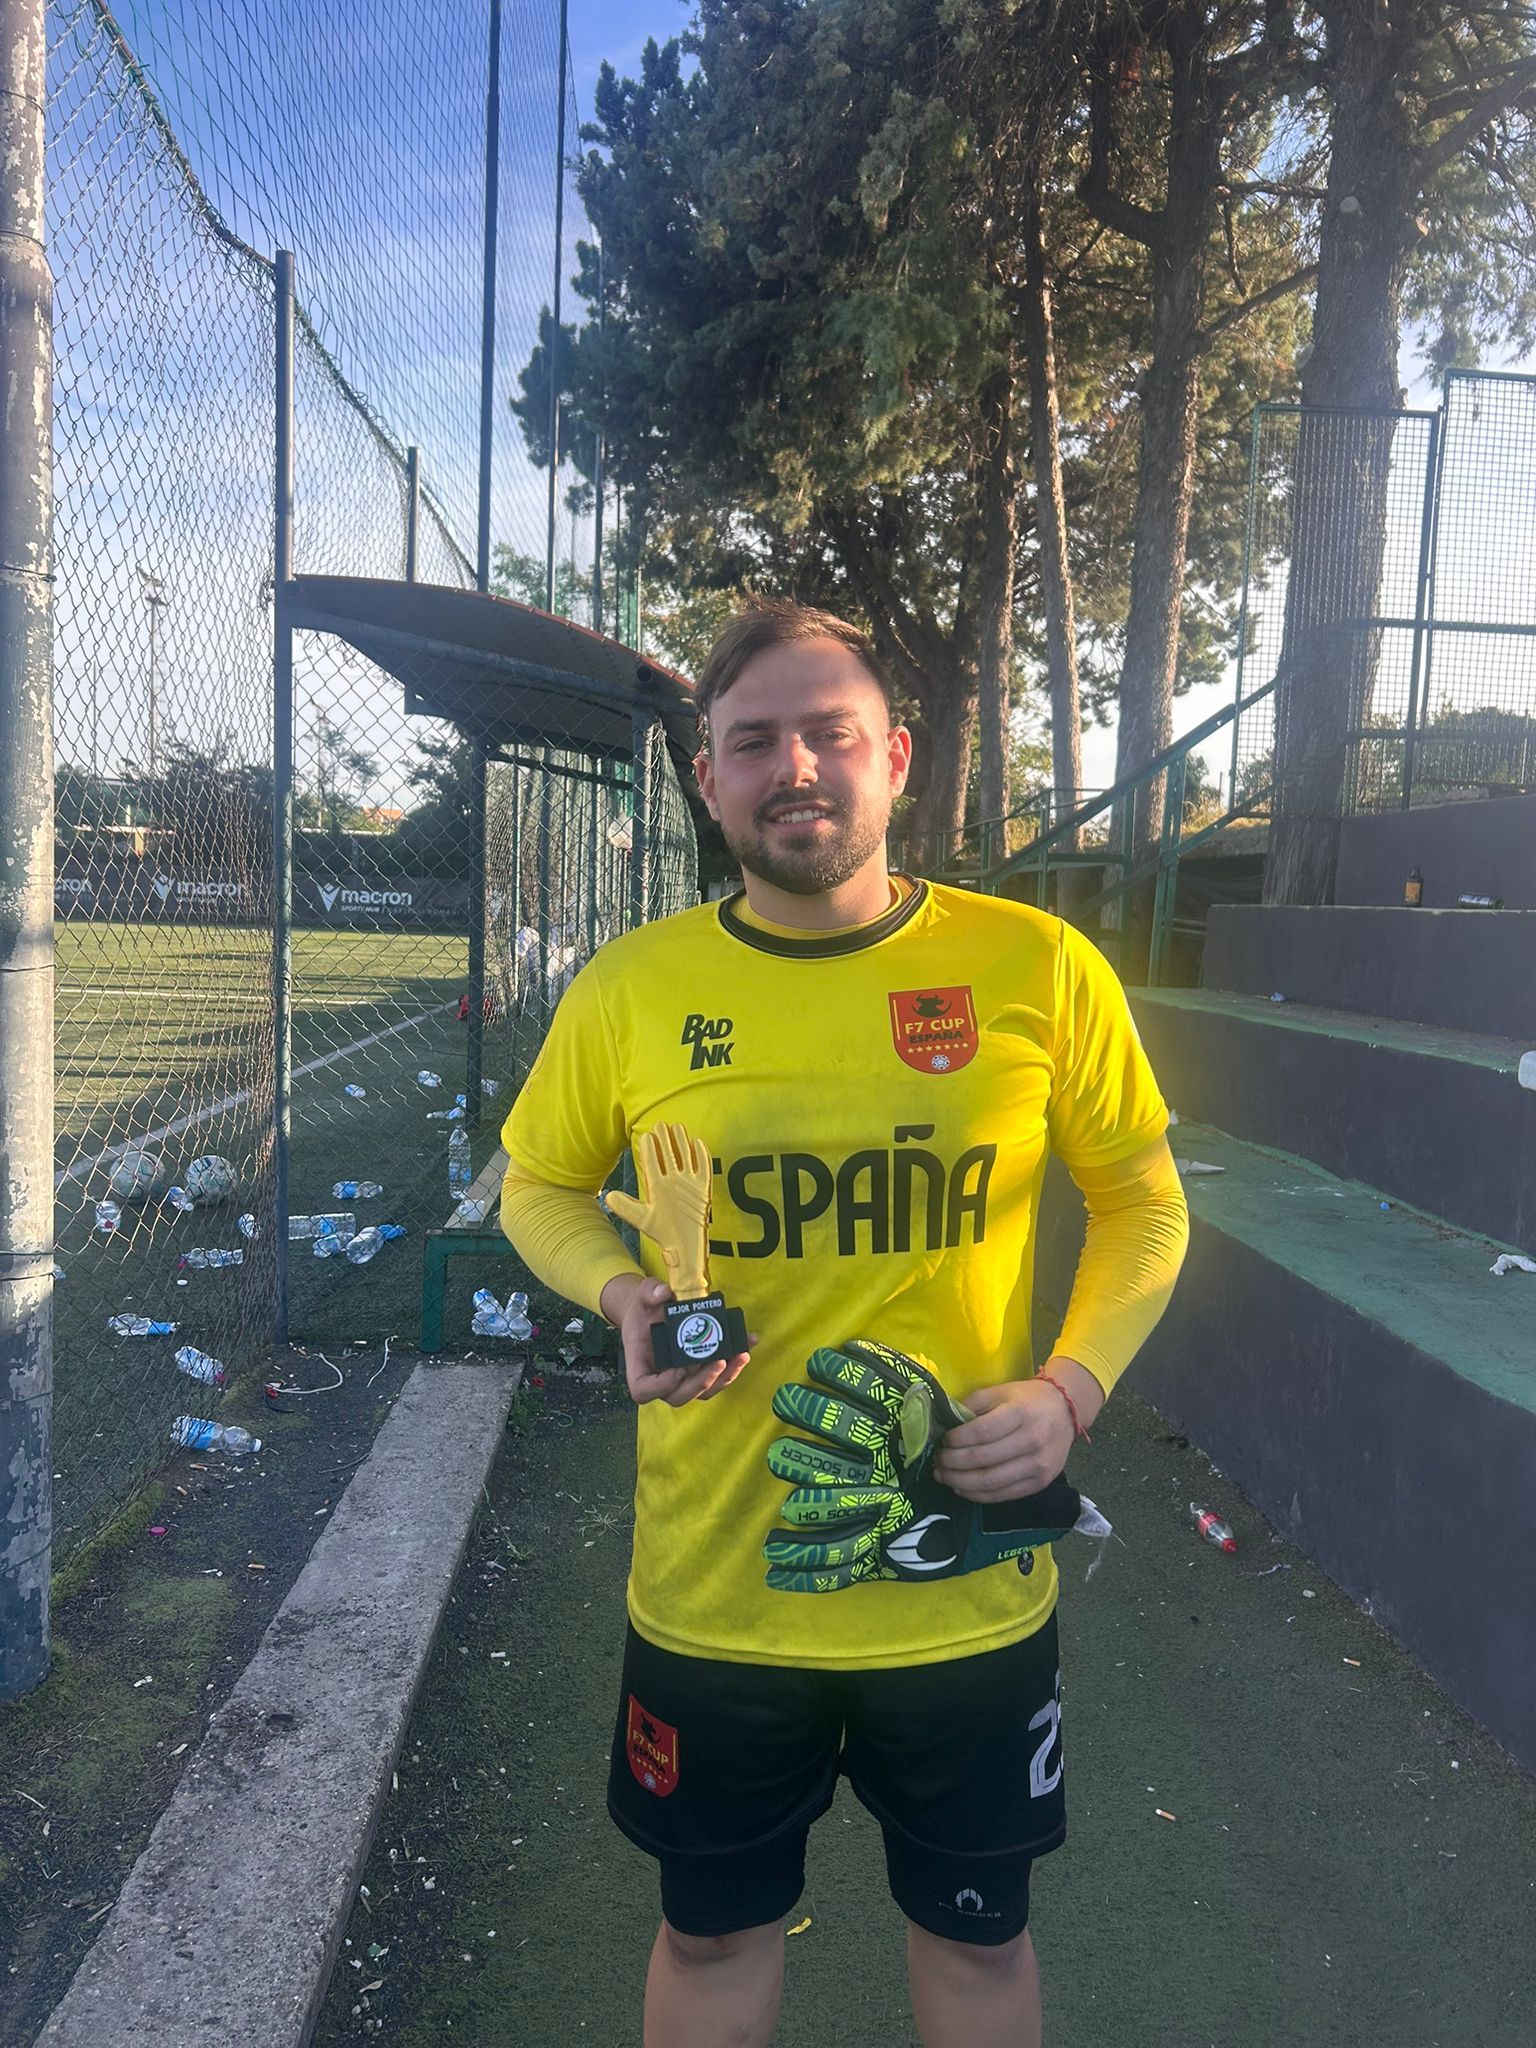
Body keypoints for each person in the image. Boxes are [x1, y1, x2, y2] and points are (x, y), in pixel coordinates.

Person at [498, 599, 1189, 2048]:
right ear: (708, 779)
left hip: (966, 1592)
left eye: (830, 734)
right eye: (752, 742)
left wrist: (1069, 1392)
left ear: (897, 758)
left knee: (982, 1949)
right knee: (710, 1936)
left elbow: (1143, 1204)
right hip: (714, 1592)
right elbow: (541, 1189)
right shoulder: (633, 988)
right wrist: (622, 1290)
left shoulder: (1038, 967)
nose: (793, 767)